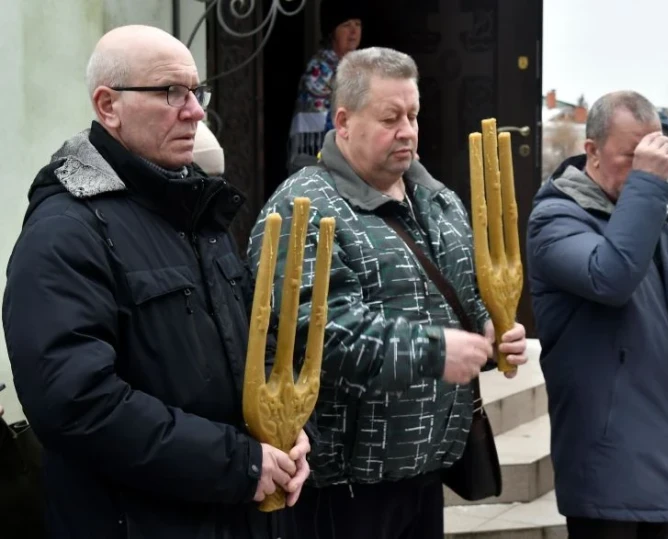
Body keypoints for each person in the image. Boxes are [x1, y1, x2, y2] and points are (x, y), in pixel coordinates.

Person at [2, 25, 308, 538]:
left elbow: (256, 345)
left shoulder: (197, 213)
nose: (195, 110)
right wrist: (238, 463)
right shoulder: (65, 232)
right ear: (108, 106)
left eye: (196, 91)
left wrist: (290, 432)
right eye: (171, 92)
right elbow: (76, 404)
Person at [249, 47, 528, 539]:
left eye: (413, 115)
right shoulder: (305, 207)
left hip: (427, 469)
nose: (407, 130)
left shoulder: (438, 200)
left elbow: (466, 299)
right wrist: (432, 350)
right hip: (344, 488)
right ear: (344, 121)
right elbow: (316, 332)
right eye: (390, 117)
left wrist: (490, 333)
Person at [527, 91, 668, 539]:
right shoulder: (556, 219)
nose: (649, 169)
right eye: (632, 156)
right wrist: (648, 184)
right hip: (608, 453)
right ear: (592, 151)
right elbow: (612, 278)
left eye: (655, 156)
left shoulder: (660, 219)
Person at [287, 2, 364, 173]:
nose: (353, 32)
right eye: (346, 25)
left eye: (357, 24)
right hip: (325, 161)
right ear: (332, 32)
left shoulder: (361, 68)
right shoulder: (319, 71)